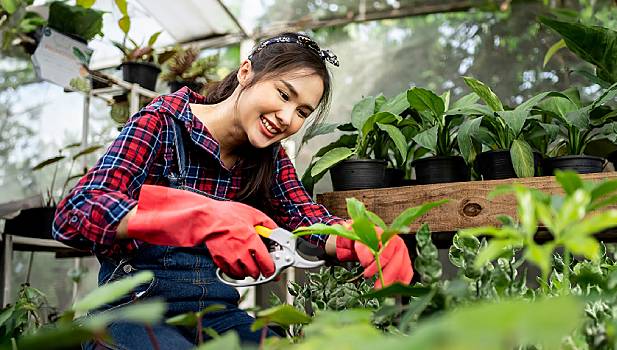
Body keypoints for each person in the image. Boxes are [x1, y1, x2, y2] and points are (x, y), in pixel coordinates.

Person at [53, 32, 413, 349]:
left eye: (302, 111)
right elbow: (77, 211)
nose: (288, 118)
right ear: (246, 73)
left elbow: (308, 221)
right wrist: (196, 217)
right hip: (130, 313)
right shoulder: (161, 125)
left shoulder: (268, 159)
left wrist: (360, 237)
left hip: (214, 316)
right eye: (283, 94)